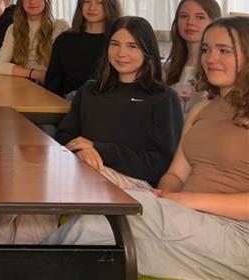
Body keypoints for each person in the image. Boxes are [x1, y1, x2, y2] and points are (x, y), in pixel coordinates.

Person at [44, 17, 249, 280]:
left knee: (102, 222)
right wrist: (166, 195)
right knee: (97, 236)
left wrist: (181, 202)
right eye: (207, 49)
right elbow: (175, 175)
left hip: (235, 233)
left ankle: (14, 268)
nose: (210, 58)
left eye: (224, 50)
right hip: (190, 222)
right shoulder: (201, 110)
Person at [0, 16, 183, 245]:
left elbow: (159, 163)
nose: (121, 53)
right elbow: (65, 135)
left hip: (132, 182)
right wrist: (82, 154)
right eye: (115, 44)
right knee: (26, 171)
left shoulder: (162, 98)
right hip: (83, 170)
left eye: (132, 46)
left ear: (147, 51)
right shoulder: (91, 90)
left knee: (42, 182)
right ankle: (13, 253)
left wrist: (98, 150)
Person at [44, 0, 123, 99]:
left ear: (110, 6)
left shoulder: (118, 42)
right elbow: (52, 86)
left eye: (99, 2)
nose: (92, 7)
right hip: (68, 105)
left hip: (108, 103)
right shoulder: (64, 40)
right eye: (87, 1)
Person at [0, 0, 69, 84]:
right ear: (21, 1)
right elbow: (0, 66)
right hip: (22, 84)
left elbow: (65, 69)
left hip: (50, 88)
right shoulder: (13, 28)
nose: (32, 1)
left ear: (46, 0)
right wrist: (35, 74)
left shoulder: (60, 26)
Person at [164, 0, 222, 115]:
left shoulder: (218, 69)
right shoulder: (166, 68)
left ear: (214, 22)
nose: (190, 22)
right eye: (184, 16)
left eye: (199, 17)